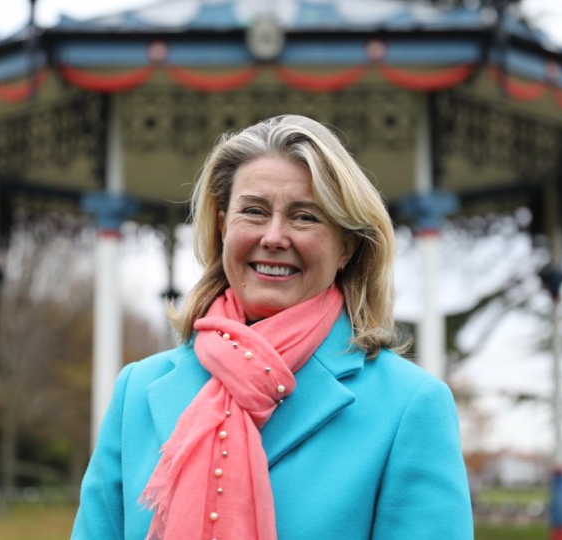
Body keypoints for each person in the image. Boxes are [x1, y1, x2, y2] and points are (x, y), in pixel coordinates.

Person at [71, 115, 473, 540]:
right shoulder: (137, 389)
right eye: (254, 211)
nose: (275, 236)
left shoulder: (411, 406)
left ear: (347, 248)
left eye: (305, 217)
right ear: (223, 226)